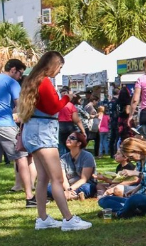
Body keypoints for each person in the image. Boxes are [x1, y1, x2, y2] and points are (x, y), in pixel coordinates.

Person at [15, 51, 92, 231]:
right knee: (57, 178)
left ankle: (42, 218)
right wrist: (67, 98)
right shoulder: (44, 82)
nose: (59, 71)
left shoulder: (31, 81)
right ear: (53, 65)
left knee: (43, 178)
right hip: (43, 132)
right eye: (59, 67)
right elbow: (52, 108)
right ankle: (68, 219)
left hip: (32, 130)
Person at [0, 59, 35, 212]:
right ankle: (29, 197)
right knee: (21, 157)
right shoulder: (11, 82)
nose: (20, 77)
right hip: (4, 124)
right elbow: (21, 104)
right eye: (20, 73)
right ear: (13, 70)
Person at [97, 136, 146, 218]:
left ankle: (119, 214)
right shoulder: (140, 160)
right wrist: (135, 189)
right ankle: (132, 211)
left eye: (131, 157)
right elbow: (145, 181)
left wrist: (136, 173)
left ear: (137, 151)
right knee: (104, 200)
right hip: (144, 195)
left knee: (135, 199)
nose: (131, 160)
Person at [60, 131, 97, 199]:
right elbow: (63, 178)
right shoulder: (63, 158)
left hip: (83, 185)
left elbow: (84, 179)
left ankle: (64, 195)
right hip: (68, 186)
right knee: (49, 187)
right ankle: (74, 196)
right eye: (68, 137)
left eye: (72, 138)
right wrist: (67, 189)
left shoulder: (87, 156)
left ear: (79, 143)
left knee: (87, 188)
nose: (68, 139)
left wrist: (70, 189)